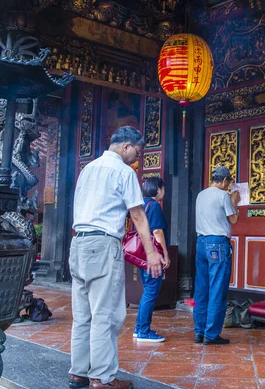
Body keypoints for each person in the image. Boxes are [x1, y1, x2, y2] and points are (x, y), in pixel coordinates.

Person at [69, 126, 165, 389]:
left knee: (83, 314)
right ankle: (101, 378)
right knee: (106, 313)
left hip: (78, 244)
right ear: (126, 146)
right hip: (103, 244)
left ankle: (78, 373)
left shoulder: (87, 169)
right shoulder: (123, 172)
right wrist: (152, 251)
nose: (137, 158)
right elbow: (137, 215)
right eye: (137, 151)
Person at [193, 165, 240, 345]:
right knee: (217, 289)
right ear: (224, 180)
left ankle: (199, 331)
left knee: (201, 289)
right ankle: (211, 334)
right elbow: (233, 219)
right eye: (228, 182)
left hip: (201, 243)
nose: (229, 186)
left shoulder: (201, 194)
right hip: (218, 244)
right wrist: (234, 201)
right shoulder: (223, 196)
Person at [133, 177, 171, 342]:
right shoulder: (154, 205)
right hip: (153, 256)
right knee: (151, 291)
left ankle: (138, 328)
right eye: (163, 188)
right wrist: (165, 254)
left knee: (147, 290)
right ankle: (143, 331)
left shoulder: (142, 204)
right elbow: (157, 232)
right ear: (158, 189)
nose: (164, 191)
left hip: (143, 255)